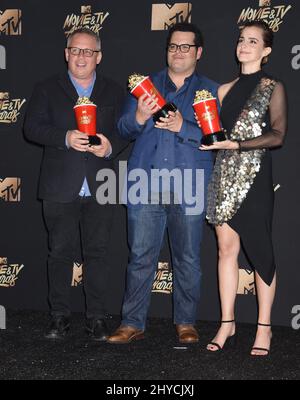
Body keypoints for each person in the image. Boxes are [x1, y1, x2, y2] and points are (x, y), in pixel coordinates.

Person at [108, 22, 219, 344]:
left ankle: (186, 322)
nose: (178, 52)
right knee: (140, 256)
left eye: (186, 47)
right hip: (146, 184)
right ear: (167, 50)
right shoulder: (144, 86)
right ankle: (132, 322)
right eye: (173, 46)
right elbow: (124, 129)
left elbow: (217, 138)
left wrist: (183, 125)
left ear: (198, 52)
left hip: (190, 185)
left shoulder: (210, 90)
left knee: (188, 258)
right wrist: (140, 116)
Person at [24, 28, 127, 341]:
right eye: (76, 50)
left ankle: (96, 317)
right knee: (59, 253)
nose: (82, 56)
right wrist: (65, 138)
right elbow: (32, 128)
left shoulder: (113, 90)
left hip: (103, 184)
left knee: (98, 253)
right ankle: (59, 316)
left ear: (99, 57)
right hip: (60, 186)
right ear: (66, 53)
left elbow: (126, 130)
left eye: (88, 51)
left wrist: (110, 147)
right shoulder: (46, 89)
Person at [199, 21, 288, 356]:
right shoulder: (222, 91)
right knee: (225, 250)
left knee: (261, 250)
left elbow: (278, 135)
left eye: (253, 41)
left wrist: (236, 145)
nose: (244, 45)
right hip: (223, 176)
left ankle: (264, 327)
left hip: (255, 177)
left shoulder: (272, 85)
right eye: (241, 40)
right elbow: (215, 136)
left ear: (266, 51)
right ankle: (227, 323)